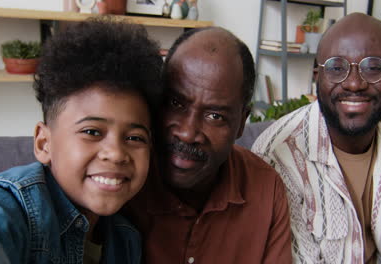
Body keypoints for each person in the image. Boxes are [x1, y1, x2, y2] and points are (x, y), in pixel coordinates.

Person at [0, 18, 163, 263]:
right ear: (43, 143)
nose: (115, 153)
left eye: (135, 137)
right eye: (92, 132)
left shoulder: (126, 239)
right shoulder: (8, 211)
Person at [252, 13, 381, 264]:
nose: (354, 83)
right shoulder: (279, 155)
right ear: (317, 76)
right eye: (337, 68)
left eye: (373, 68)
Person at [124, 27, 292, 263]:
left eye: (215, 116)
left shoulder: (265, 190)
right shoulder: (120, 175)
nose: (187, 133)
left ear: (242, 123)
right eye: (175, 103)